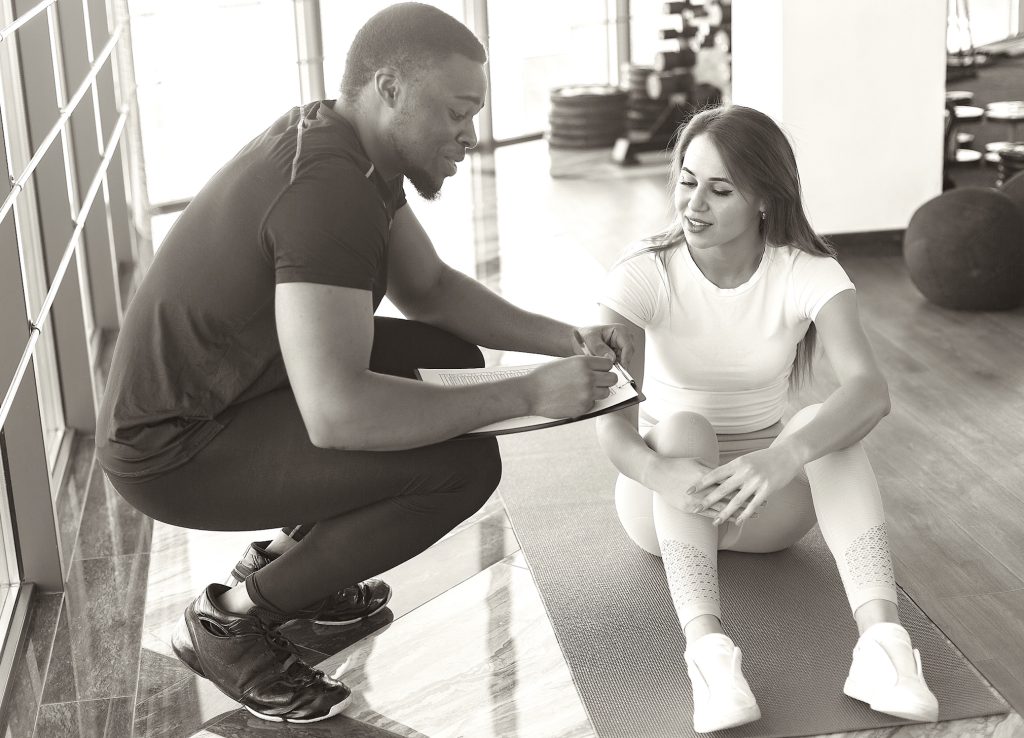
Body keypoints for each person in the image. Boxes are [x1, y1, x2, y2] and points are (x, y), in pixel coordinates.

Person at [95, 2, 630, 724]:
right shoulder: (328, 194)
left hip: (237, 394)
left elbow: (429, 289)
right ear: (389, 87)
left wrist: (565, 340)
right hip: (174, 451)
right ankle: (232, 618)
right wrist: (530, 392)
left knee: (445, 357)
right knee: (462, 467)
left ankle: (289, 567)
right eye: (456, 111)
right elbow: (338, 411)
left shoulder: (346, 146)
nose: (468, 135)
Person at [595, 105, 938, 733]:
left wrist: (782, 457)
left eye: (720, 189)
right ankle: (709, 659)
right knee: (686, 427)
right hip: (662, 501)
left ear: (763, 200)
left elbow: (869, 391)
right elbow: (608, 420)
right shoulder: (645, 271)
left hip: (766, 506)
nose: (694, 203)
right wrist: (662, 473)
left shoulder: (805, 271)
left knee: (820, 425)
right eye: (687, 180)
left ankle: (884, 648)